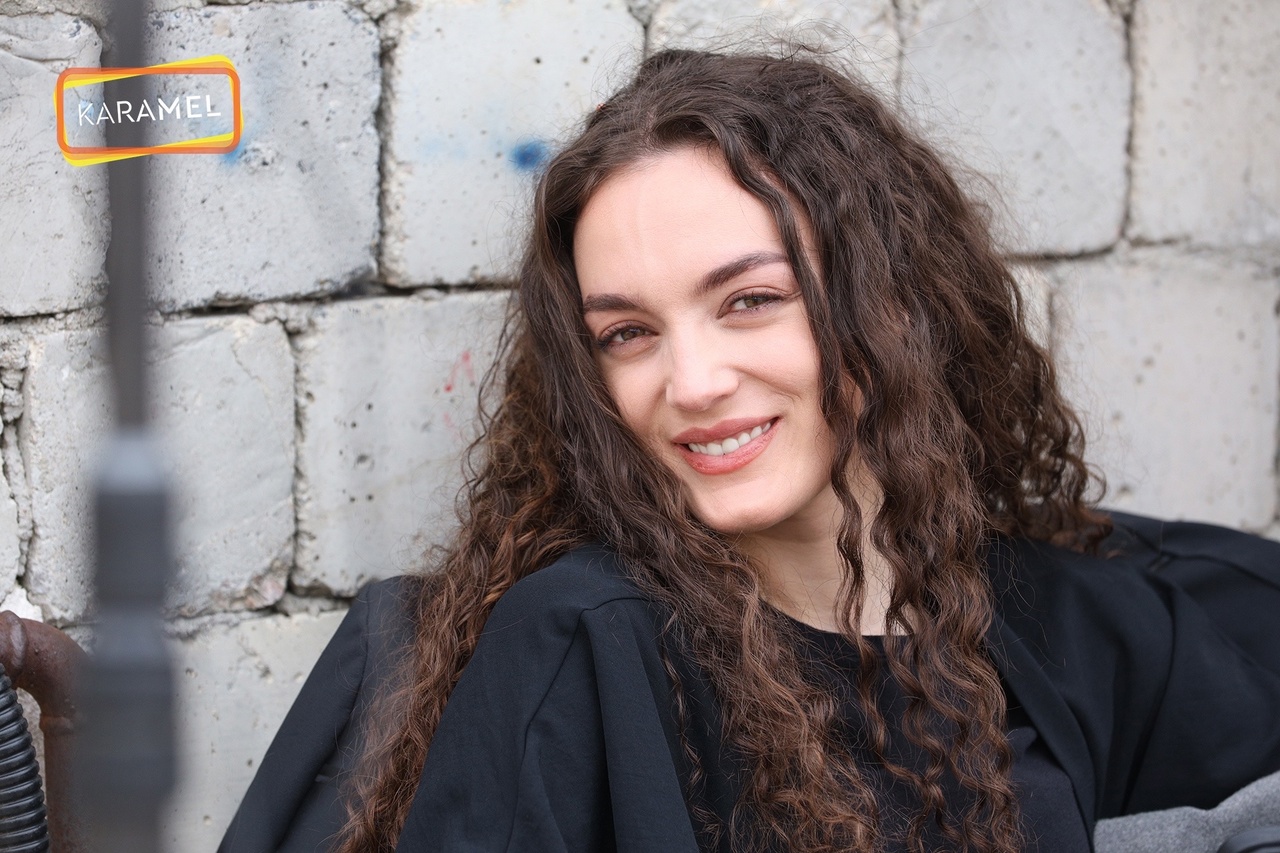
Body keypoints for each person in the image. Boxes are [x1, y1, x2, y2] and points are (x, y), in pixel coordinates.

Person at [219, 48, 1280, 853]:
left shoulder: (1048, 621)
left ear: (891, 303)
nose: (690, 382)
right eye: (627, 333)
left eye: (749, 301)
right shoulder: (588, 642)